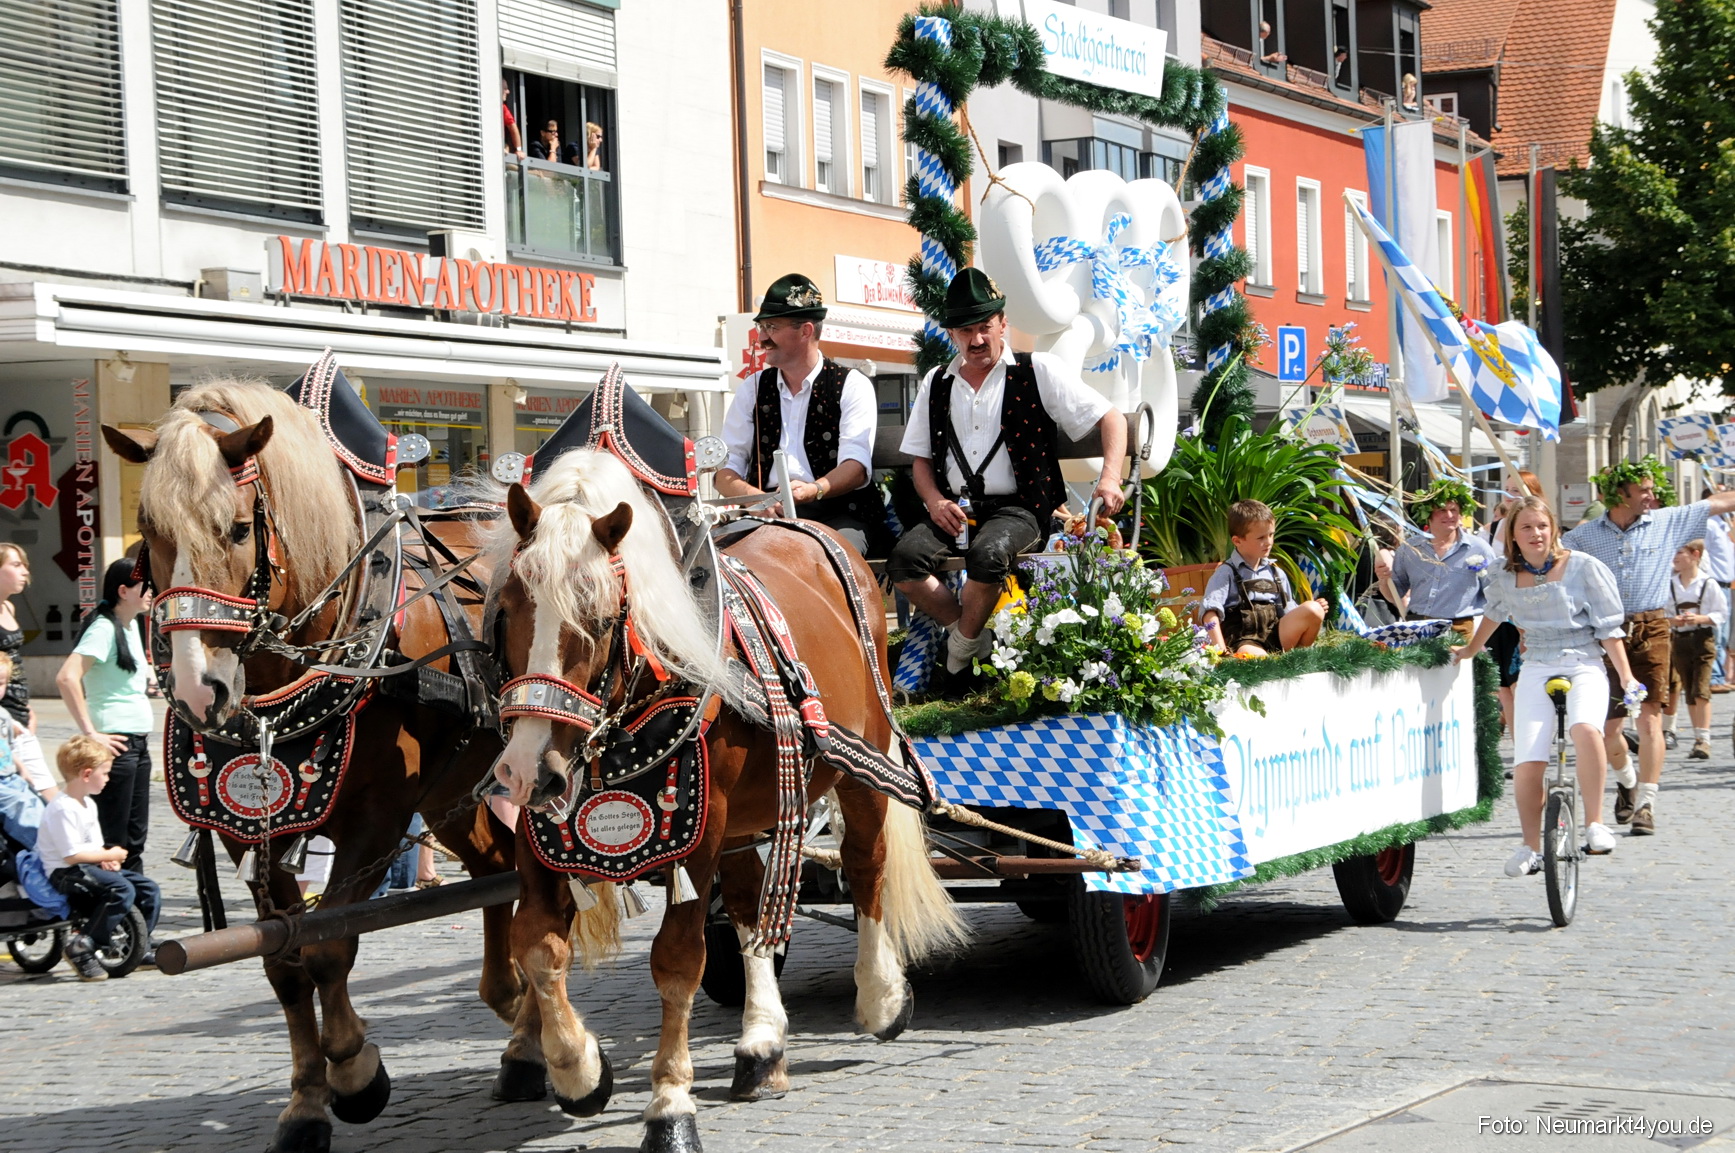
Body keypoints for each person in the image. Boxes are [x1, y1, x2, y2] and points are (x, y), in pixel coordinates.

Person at [889, 268, 1127, 679]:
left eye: (984, 327)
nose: (976, 340)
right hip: (955, 510)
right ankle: (972, 640)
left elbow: (1112, 418)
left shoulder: (1039, 370)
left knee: (988, 555)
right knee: (903, 563)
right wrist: (935, 501)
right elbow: (922, 461)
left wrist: (1109, 477)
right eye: (965, 331)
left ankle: (957, 660)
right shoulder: (937, 381)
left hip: (1022, 508)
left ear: (1003, 323)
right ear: (952, 334)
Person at [1455, 496, 1636, 875]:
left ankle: (1595, 823)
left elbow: (1608, 629)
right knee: (1529, 757)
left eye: (1542, 526)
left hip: (1583, 662)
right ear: (1512, 536)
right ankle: (1530, 847)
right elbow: (1493, 615)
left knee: (1585, 729)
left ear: (1553, 529)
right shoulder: (1503, 575)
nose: (1536, 533)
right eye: (1526, 527)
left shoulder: (1583, 567)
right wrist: (1470, 650)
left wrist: (1626, 675)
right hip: (1537, 664)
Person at [1561, 456, 1735, 835]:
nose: (1651, 496)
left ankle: (1646, 804)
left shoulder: (1666, 521)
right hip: (1604, 633)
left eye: (1651, 489)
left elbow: (1719, 502)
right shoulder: (1583, 537)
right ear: (1618, 494)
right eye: (1643, 490)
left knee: (1651, 717)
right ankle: (1627, 780)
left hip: (1652, 627)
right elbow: (1549, 561)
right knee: (1607, 728)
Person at [715, 273, 882, 555]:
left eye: (771, 327)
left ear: (805, 331)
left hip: (838, 513)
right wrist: (757, 499)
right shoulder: (752, 388)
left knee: (832, 558)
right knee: (710, 561)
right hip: (766, 512)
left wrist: (813, 490)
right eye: (761, 327)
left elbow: (855, 467)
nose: (762, 337)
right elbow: (724, 472)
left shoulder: (852, 385)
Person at [56, 559, 155, 873]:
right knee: (112, 839)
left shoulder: (130, 626)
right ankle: (110, 898)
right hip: (115, 745)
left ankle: (134, 897)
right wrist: (90, 732)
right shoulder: (103, 627)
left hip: (138, 744)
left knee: (134, 838)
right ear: (123, 591)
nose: (151, 593)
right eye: (144, 587)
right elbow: (67, 677)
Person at [36, 735, 162, 980]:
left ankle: (138, 945)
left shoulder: (88, 804)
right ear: (86, 774)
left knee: (148, 889)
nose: (107, 779)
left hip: (86, 866)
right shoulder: (63, 808)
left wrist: (105, 858)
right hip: (65, 872)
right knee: (121, 889)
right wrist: (108, 854)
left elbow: (93, 846)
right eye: (104, 773)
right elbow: (72, 855)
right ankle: (83, 944)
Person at [1200, 499, 1328, 655]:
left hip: (1276, 636)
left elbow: (1289, 611)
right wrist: (1220, 651)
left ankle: (1297, 658)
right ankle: (1271, 660)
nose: (1268, 542)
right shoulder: (1226, 572)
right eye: (1261, 538)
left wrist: (1313, 609)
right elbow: (1209, 613)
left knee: (1314, 609)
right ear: (1237, 541)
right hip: (1244, 640)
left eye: (1271, 535)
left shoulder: (1276, 573)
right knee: (1259, 660)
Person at [1374, 478, 1496, 641]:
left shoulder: (1478, 548)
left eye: (1453, 510)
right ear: (1427, 514)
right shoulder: (1410, 549)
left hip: (1458, 629)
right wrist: (1383, 580)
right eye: (1442, 510)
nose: (1449, 515)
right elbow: (1395, 595)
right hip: (1417, 627)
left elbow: (1495, 592)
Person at [1484, 470, 1546, 734]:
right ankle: (1519, 742)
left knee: (1521, 683)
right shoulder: (1493, 529)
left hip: (1526, 615)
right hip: (1499, 614)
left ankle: (1534, 736)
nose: (1509, 495)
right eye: (1507, 489)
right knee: (1503, 688)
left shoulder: (1541, 529)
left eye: (1516, 490)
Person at [1661, 540, 1721, 759]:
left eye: (1680, 553)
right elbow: (1663, 615)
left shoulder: (1708, 583)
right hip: (1680, 640)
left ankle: (1704, 739)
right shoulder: (1670, 585)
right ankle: (1697, 737)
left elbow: (1720, 613)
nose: (1675, 557)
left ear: (1695, 555)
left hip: (1702, 638)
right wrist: (1673, 621)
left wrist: (1701, 618)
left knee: (1700, 689)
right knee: (1688, 687)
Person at [0, 653, 55, 846]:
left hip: (10, 777)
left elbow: (7, 749)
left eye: (1, 684)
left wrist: (23, 769)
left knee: (37, 805)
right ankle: (46, 848)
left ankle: (51, 845)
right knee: (22, 809)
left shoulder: (4, 716)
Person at [0, 542, 34, 730]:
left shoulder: (8, 607)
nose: (25, 572)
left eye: (24, 565)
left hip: (19, 709)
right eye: (16, 565)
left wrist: (28, 709)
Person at [502, 80, 525, 159]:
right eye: (505, 88)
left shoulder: (503, 108)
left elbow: (513, 127)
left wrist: (518, 150)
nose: (508, 92)